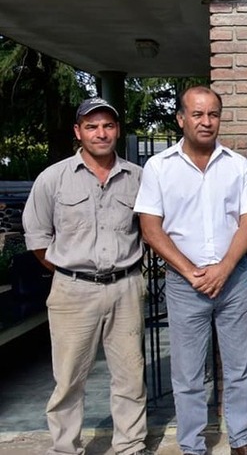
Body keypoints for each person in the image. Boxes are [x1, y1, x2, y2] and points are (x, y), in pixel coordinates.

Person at [134, 86, 247, 455]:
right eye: (198, 114)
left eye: (213, 114)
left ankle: (240, 439)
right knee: (187, 374)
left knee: (238, 367)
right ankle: (192, 445)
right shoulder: (159, 167)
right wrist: (191, 272)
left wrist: (224, 267)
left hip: (233, 281)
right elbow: (150, 228)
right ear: (181, 119)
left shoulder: (237, 165)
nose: (206, 122)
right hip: (183, 284)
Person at [22, 98, 150, 455]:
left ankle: (130, 445)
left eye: (108, 126)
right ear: (78, 132)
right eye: (92, 127)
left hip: (126, 286)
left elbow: (151, 230)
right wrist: (69, 271)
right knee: (68, 378)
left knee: (130, 375)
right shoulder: (54, 178)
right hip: (72, 290)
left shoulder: (137, 178)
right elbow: (37, 238)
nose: (101, 133)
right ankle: (65, 447)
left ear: (118, 130)